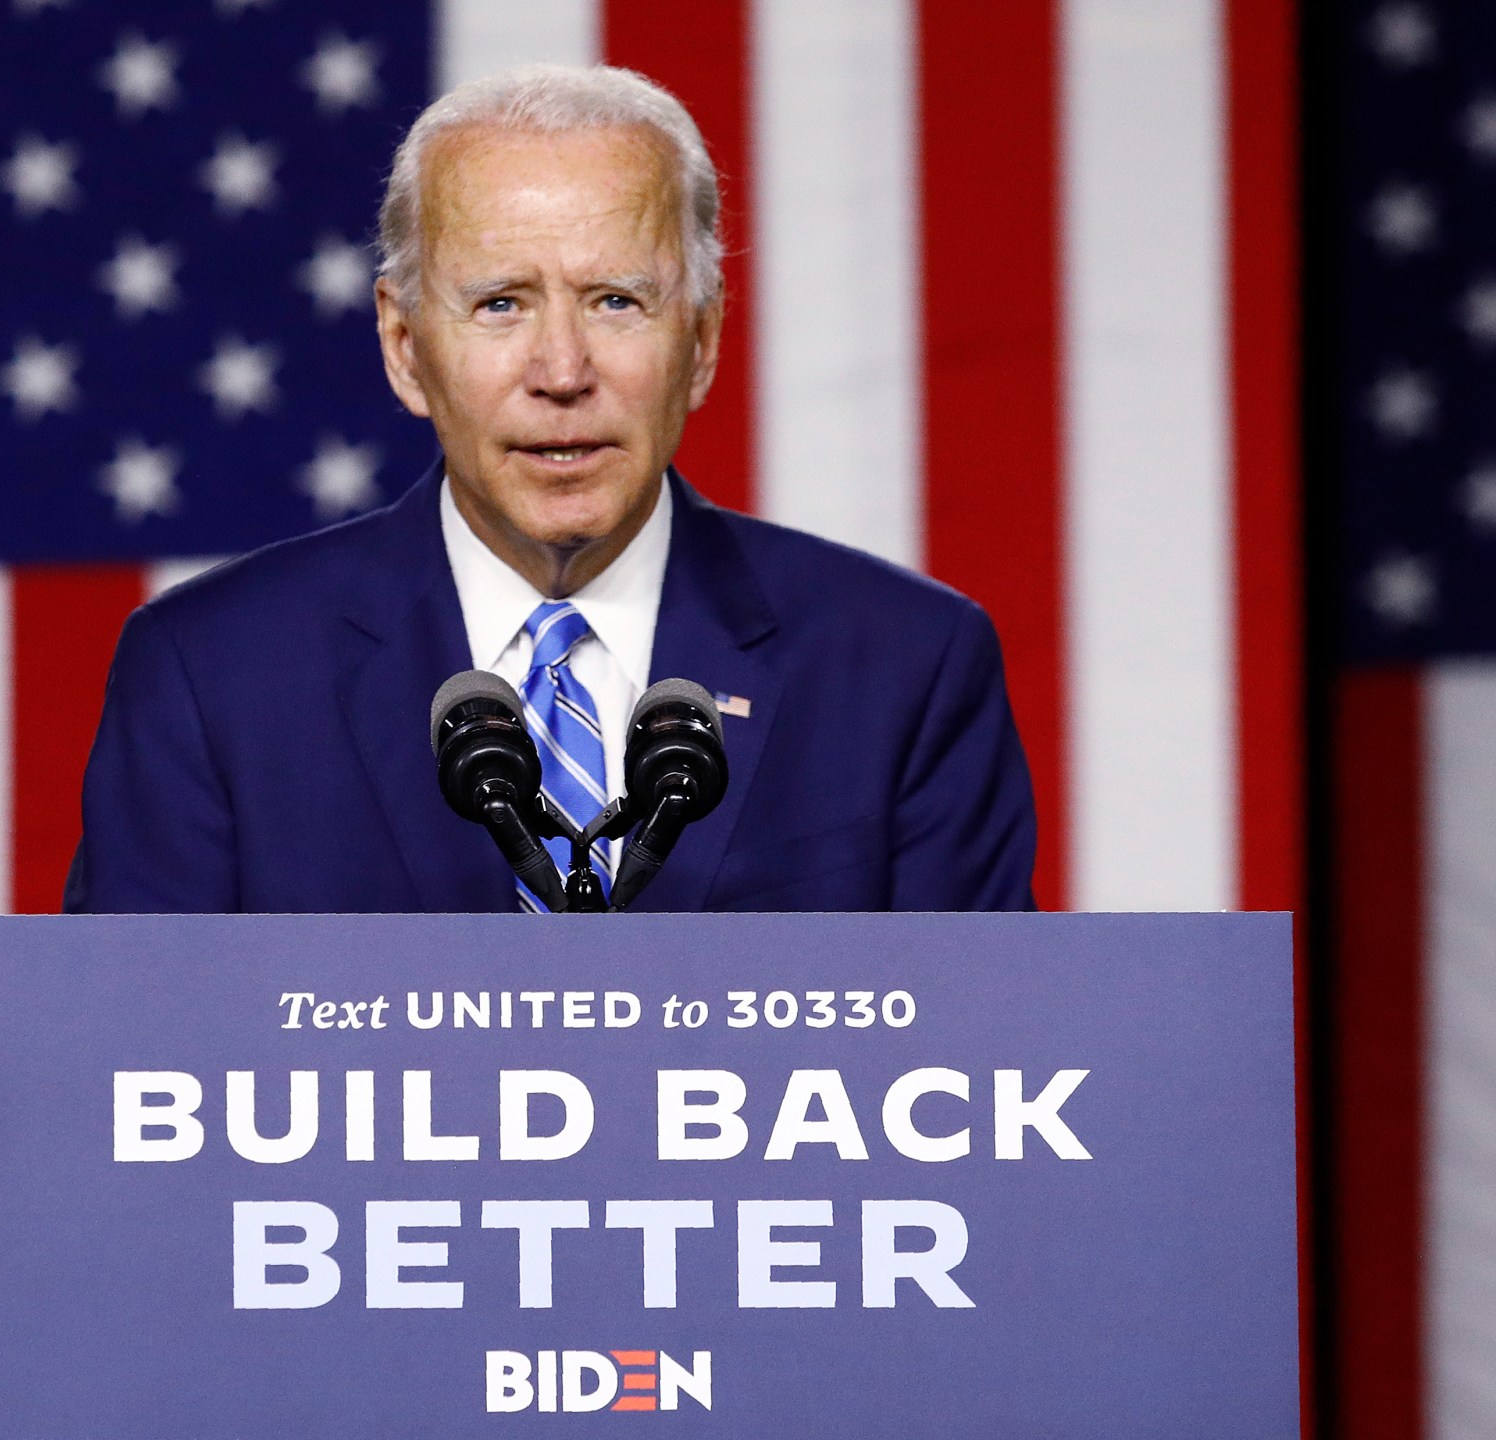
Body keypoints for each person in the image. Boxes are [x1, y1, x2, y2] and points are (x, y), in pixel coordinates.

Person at [64, 63, 1036, 914]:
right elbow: (122, 1079)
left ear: (698, 343)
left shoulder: (904, 669)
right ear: (405, 350)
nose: (562, 369)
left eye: (616, 301)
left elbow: (982, 1075)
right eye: (501, 304)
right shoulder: (213, 677)